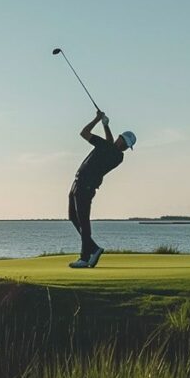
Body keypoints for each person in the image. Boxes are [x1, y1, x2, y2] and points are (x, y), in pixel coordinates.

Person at [68, 110, 136, 268]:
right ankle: (94, 248)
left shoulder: (109, 148)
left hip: (85, 185)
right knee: (73, 216)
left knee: (83, 221)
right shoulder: (118, 155)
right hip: (79, 183)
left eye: (126, 145)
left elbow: (84, 133)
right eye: (125, 144)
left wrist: (98, 119)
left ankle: (85, 258)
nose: (125, 147)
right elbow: (110, 142)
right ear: (121, 140)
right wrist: (106, 126)